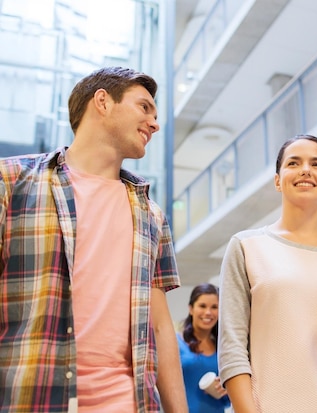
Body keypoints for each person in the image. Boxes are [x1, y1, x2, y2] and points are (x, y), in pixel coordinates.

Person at [0, 67, 187, 412]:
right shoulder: (11, 182)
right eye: (144, 107)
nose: (154, 123)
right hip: (33, 398)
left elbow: (161, 329)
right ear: (102, 101)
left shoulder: (152, 215)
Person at [218, 134, 317, 412]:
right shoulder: (247, 246)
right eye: (294, 163)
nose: (306, 170)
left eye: (316, 164)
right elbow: (232, 350)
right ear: (277, 179)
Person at [178, 283, 230, 412]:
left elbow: (228, 400)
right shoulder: (176, 343)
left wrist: (226, 390)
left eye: (214, 307)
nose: (208, 312)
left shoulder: (223, 348)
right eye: (202, 306)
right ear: (191, 309)